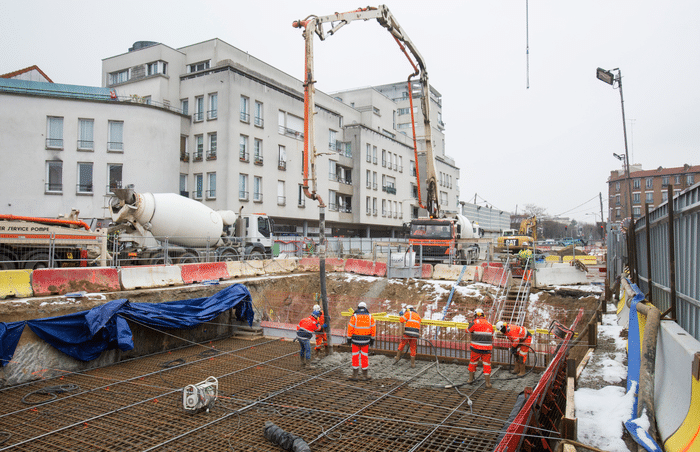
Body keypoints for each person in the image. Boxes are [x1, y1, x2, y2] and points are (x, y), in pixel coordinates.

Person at [346, 301, 376, 381]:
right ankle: (365, 376)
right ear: (365, 308)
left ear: (358, 307)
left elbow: (350, 328)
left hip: (355, 341)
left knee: (355, 356)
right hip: (365, 341)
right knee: (364, 357)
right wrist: (372, 339)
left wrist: (349, 338)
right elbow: (373, 329)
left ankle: (355, 375)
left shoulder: (354, 316)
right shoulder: (370, 317)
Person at [467, 308, 494, 388]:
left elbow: (468, 330)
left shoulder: (474, 323)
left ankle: (470, 380)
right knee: (487, 365)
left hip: (476, 348)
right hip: (487, 349)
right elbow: (491, 336)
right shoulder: (489, 323)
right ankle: (487, 383)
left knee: (473, 363)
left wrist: (470, 325)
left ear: (476, 315)